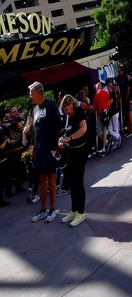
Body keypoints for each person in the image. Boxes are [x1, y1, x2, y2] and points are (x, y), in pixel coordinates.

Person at [29, 82, 61, 223]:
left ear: (38, 92)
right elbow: (35, 131)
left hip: (50, 148)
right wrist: (33, 149)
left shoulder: (51, 104)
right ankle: (43, 210)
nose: (29, 96)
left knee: (51, 177)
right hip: (38, 149)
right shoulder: (34, 109)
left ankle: (52, 209)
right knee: (41, 178)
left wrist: (57, 147)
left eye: (31, 93)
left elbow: (59, 127)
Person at [58, 95, 89, 227]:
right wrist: (63, 142)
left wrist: (69, 138)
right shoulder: (69, 117)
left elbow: (83, 129)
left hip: (80, 152)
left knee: (78, 182)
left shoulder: (79, 112)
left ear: (71, 104)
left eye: (66, 109)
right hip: (71, 152)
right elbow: (68, 133)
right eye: (64, 110)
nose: (66, 112)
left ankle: (81, 212)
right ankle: (74, 210)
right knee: (71, 182)